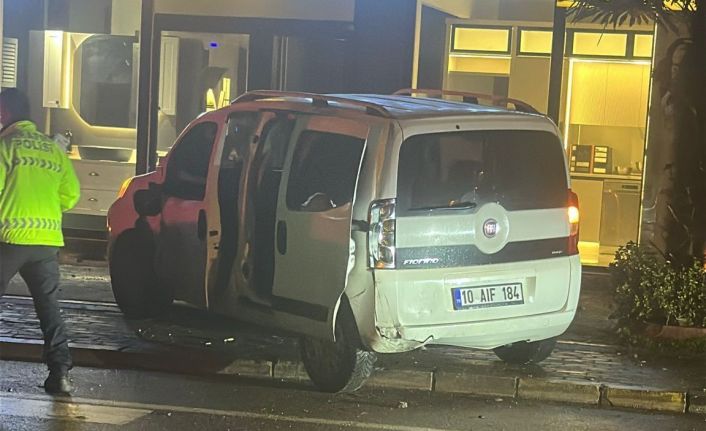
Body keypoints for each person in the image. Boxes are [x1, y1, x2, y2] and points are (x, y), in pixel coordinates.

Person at [0, 88, 80, 394]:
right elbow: (70, 195)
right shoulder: (52, 150)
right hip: (46, 241)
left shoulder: (6, 147)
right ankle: (60, 373)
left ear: (4, 114)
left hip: (9, 239)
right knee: (49, 307)